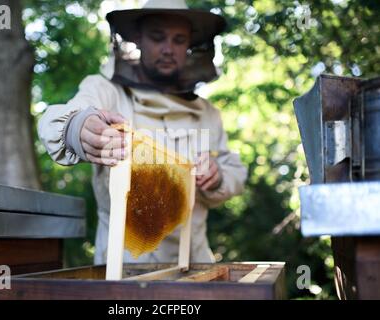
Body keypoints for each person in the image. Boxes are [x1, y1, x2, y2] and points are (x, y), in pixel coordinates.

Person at [38, 0, 248, 265]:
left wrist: (216, 176)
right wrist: (77, 127)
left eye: (179, 39)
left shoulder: (208, 113)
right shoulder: (106, 90)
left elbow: (235, 173)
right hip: (123, 267)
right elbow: (60, 117)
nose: (168, 49)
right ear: (138, 38)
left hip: (194, 265)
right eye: (157, 37)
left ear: (190, 46)